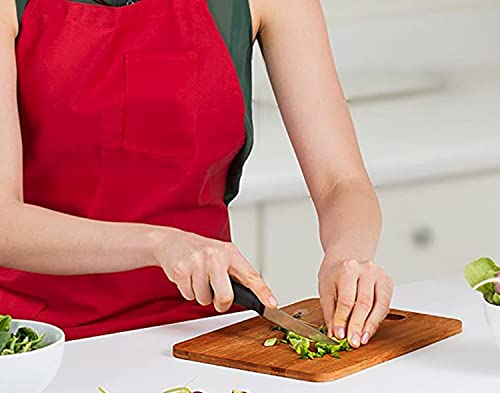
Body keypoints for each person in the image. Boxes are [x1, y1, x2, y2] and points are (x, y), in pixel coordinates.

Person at [0, 0, 393, 346]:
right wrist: (159, 244)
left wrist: (347, 256)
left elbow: (342, 182)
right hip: (33, 342)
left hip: (204, 333)